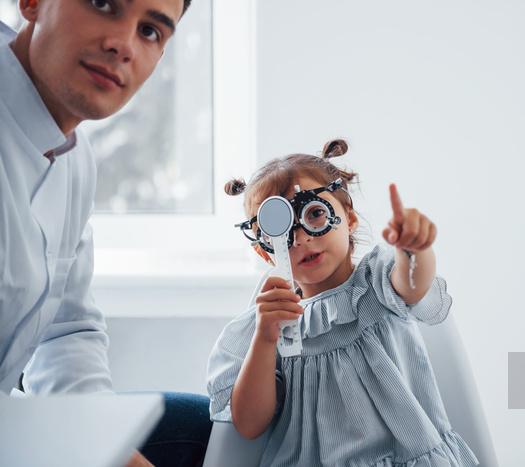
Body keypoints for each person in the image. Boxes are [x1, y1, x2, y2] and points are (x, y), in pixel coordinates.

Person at [0, 0, 211, 465]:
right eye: (102, 4)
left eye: (151, 31)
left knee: (199, 427)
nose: (123, 44)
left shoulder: (74, 161)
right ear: (31, 3)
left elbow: (65, 329)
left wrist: (107, 449)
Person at [206, 139, 479, 466]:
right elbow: (249, 425)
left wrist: (414, 249)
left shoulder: (376, 282)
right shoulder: (266, 324)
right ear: (265, 251)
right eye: (281, 231)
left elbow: (412, 284)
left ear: (348, 218)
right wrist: (265, 338)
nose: (303, 238)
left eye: (315, 213)